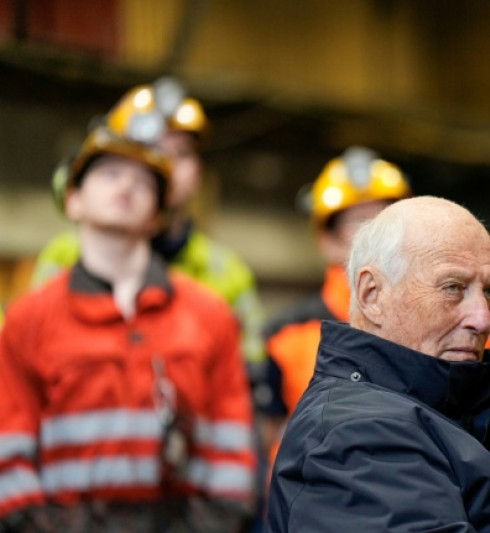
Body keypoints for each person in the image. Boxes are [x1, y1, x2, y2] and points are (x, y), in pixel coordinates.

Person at [267, 196, 490, 532]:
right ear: (371, 295)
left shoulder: (462, 407)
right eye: (453, 288)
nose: (483, 319)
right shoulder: (355, 439)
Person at [0, 100, 255, 531]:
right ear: (73, 201)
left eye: (143, 181)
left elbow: (230, 449)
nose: (126, 186)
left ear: (157, 214)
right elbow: (8, 446)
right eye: (109, 173)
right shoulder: (29, 318)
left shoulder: (209, 314)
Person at [31, 77, 266, 380]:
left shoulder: (228, 272)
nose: (164, 163)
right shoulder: (63, 256)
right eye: (151, 148)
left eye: (181, 153)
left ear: (199, 171)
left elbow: (249, 381)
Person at [257, 146, 411, 462]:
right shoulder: (284, 334)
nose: (374, 233)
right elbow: (265, 433)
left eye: (384, 218)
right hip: (307, 498)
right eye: (359, 221)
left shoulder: (427, 322)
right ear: (328, 239)